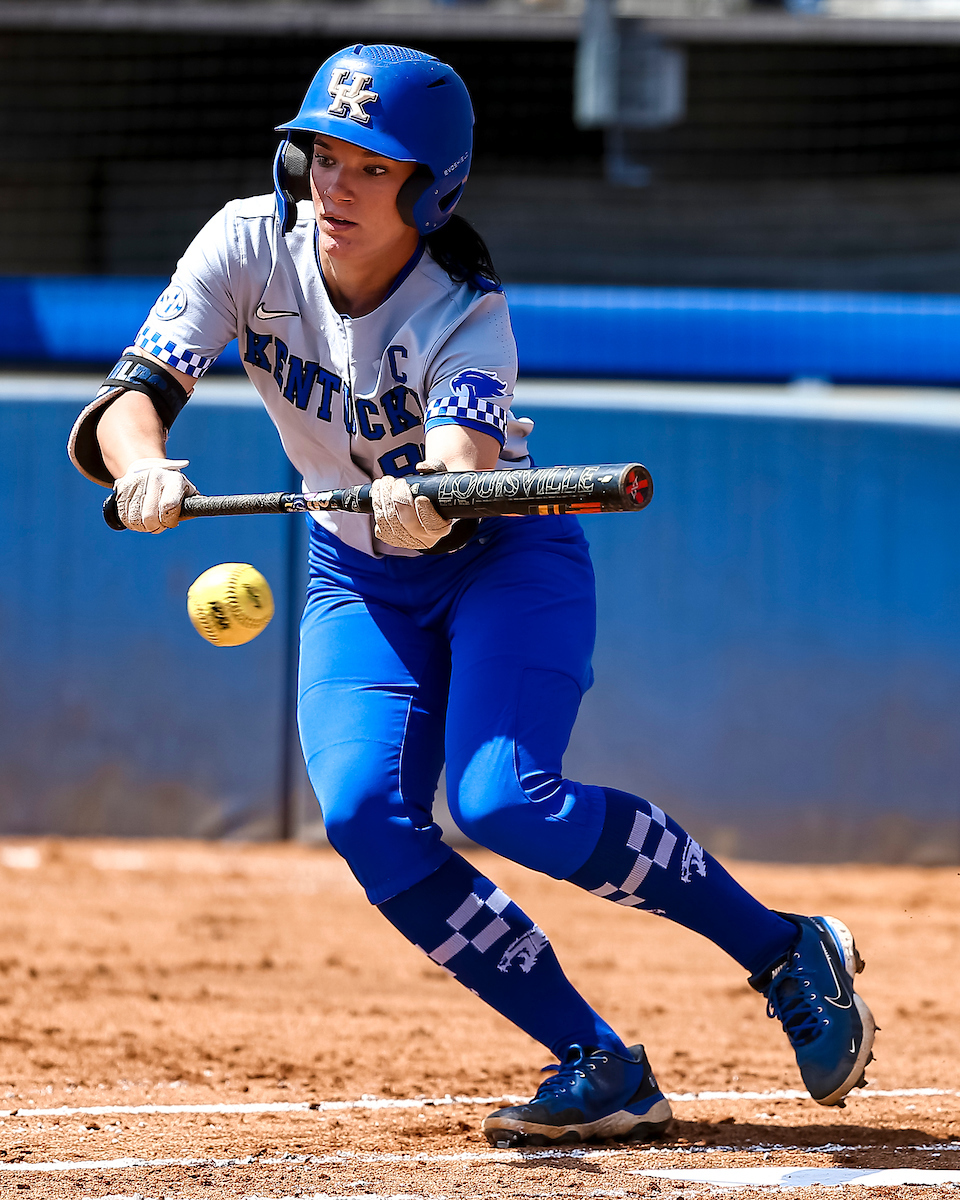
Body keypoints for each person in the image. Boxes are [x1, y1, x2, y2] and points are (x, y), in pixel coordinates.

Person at [68, 44, 875, 1147]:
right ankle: (600, 1063)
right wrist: (142, 465)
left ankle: (785, 949)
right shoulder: (244, 243)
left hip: (502, 558)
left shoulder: (463, 306)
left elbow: (461, 448)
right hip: (355, 574)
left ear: (427, 188)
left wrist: (437, 493)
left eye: (370, 166)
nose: (334, 186)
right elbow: (136, 389)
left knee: (503, 799)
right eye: (322, 156)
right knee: (365, 819)